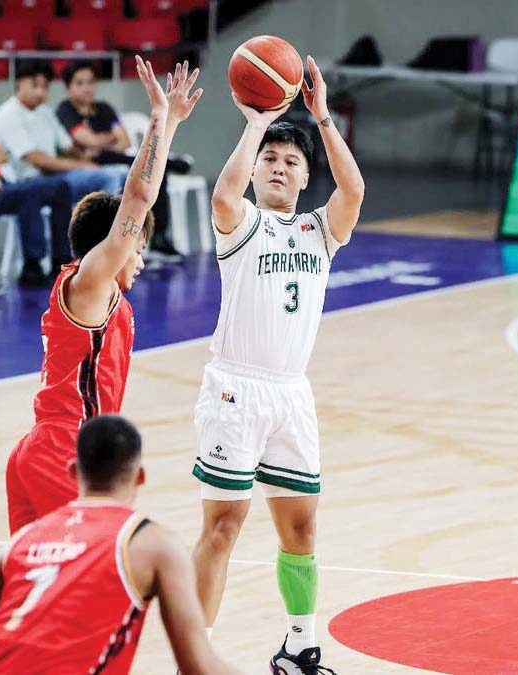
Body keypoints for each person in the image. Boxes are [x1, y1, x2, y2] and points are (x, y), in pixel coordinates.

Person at [191, 55, 363, 675]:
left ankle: (298, 646)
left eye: (292, 162)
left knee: (303, 530)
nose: (280, 168)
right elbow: (222, 192)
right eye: (271, 159)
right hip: (235, 390)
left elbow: (354, 191)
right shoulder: (242, 225)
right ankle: (196, 657)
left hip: (291, 396)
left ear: (303, 177)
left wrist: (320, 118)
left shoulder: (320, 231)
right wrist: (257, 125)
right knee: (222, 528)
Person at [4, 57, 202, 534]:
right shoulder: (88, 283)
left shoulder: (107, 298)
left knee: (38, 588)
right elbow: (137, 198)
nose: (140, 259)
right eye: (137, 248)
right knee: (105, 564)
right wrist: (164, 120)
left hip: (54, 447)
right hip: (62, 450)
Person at [0, 415, 242, 675]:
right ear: (141, 476)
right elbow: (200, 668)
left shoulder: (24, 540)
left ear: (74, 472)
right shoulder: (152, 543)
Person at [0, 60, 126, 283]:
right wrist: (81, 165)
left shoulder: (45, 113)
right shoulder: (8, 115)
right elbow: (36, 159)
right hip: (17, 182)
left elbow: (67, 148)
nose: (40, 92)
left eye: (45, 87)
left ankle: (64, 259)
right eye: (34, 85)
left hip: (51, 180)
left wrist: (84, 157)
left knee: (68, 185)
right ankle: (34, 264)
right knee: (46, 188)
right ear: (19, 84)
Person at [57, 60, 189, 263]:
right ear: (68, 87)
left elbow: (124, 140)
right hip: (91, 168)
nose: (87, 88)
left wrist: (97, 141)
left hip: (116, 161)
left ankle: (159, 237)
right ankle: (173, 163)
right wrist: (106, 139)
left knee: (153, 172)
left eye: (90, 82)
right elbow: (88, 141)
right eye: (80, 83)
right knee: (128, 162)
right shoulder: (65, 110)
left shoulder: (104, 108)